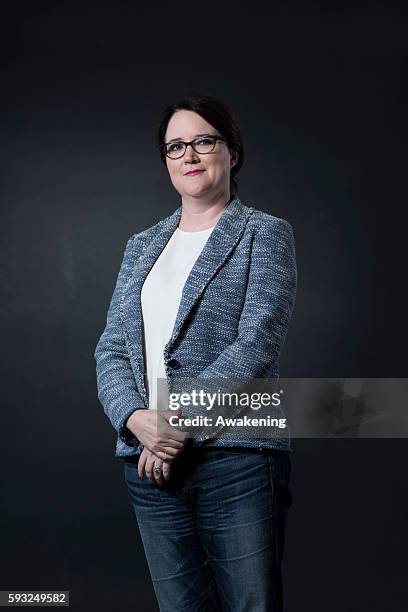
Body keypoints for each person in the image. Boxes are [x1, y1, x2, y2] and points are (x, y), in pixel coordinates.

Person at [94, 94, 297, 611]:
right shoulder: (142, 245)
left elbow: (256, 342)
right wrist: (135, 418)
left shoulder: (264, 234)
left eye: (203, 141)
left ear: (231, 151)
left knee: (252, 604)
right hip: (148, 464)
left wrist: (173, 426)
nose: (189, 155)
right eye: (175, 146)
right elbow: (113, 346)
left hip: (237, 457)